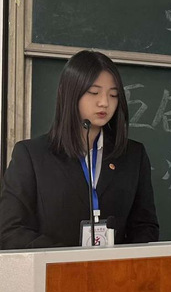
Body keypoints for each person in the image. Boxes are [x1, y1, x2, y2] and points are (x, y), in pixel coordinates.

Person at [0, 50, 159, 249]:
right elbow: (10, 230)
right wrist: (69, 260)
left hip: (115, 268)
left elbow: (145, 227)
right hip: (53, 267)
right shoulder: (31, 155)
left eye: (113, 95)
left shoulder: (133, 155)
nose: (105, 102)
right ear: (71, 93)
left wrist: (120, 262)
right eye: (94, 92)